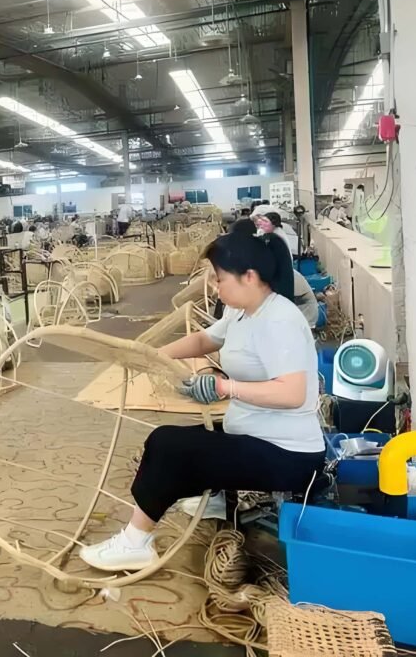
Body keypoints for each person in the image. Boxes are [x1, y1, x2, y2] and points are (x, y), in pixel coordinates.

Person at [78, 224, 324, 572]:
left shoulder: (278, 319)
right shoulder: (242, 312)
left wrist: (225, 388)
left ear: (249, 277)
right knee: (165, 442)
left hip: (289, 455)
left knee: (172, 446)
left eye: (219, 278)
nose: (214, 286)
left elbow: (292, 392)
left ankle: (136, 542)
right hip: (254, 434)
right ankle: (211, 495)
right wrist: (150, 355)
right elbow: (203, 341)